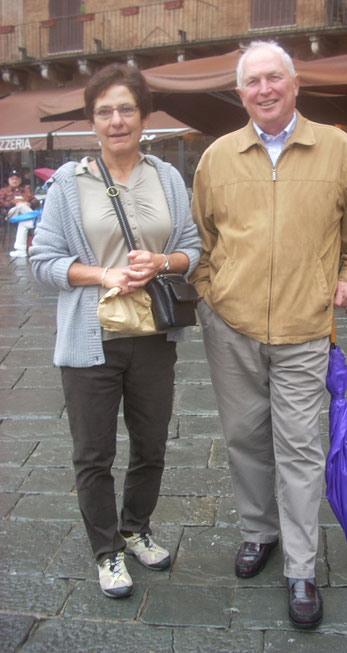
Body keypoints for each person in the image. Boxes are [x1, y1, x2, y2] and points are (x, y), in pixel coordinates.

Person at [190, 41, 347, 629]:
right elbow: (200, 237)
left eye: (275, 78)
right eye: (253, 82)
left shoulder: (337, 148)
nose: (265, 89)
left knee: (298, 447)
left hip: (304, 329)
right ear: (241, 92)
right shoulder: (217, 157)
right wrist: (211, 290)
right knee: (244, 439)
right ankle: (258, 531)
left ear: (295, 85)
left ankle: (301, 566)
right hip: (232, 326)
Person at [29, 64, 201, 598]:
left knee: (151, 445)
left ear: (144, 116)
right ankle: (107, 551)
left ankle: (135, 527)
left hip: (152, 337)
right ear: (93, 120)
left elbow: (194, 250)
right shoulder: (67, 182)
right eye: (105, 111)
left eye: (127, 108)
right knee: (93, 453)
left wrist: (162, 263)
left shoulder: (168, 177)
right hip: (90, 340)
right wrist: (103, 273)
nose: (117, 119)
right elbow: (42, 260)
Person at [0, 169, 39, 258]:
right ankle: (35, 221)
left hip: (24, 216)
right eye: (12, 179)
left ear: (20, 180)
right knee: (21, 206)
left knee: (24, 223)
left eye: (16, 179)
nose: (15, 180)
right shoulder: (4, 191)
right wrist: (13, 203)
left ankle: (20, 250)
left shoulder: (25, 190)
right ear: (9, 180)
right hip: (11, 214)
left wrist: (30, 203)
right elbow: (1, 202)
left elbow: (34, 200)